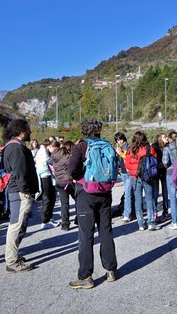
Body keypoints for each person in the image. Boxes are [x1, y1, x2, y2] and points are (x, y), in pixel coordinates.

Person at [68, 119, 117, 289]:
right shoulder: (107, 144)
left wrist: (78, 177)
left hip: (86, 193)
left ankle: (86, 276)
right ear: (99, 129)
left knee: (86, 235)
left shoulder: (81, 146)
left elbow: (71, 169)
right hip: (105, 193)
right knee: (106, 231)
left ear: (84, 130)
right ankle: (111, 270)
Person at [3, 118, 39, 273]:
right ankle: (11, 261)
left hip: (18, 190)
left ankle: (14, 256)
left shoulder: (13, 146)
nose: (30, 131)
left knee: (19, 225)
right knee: (16, 225)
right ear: (22, 131)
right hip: (19, 192)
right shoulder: (16, 148)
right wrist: (25, 190)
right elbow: (19, 172)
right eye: (28, 128)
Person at [124, 131, 159, 231]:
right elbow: (155, 159)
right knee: (149, 199)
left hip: (135, 177)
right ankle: (151, 222)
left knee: (138, 200)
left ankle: (140, 223)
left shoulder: (130, 149)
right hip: (147, 176)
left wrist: (132, 171)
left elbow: (127, 163)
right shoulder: (148, 148)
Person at [49, 140, 75, 231]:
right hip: (68, 181)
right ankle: (79, 219)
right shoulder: (67, 156)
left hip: (59, 182)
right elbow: (72, 167)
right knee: (78, 200)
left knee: (64, 204)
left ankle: (65, 224)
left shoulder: (53, 157)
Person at [35, 140, 57, 229]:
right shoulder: (43, 151)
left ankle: (49, 218)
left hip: (46, 175)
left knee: (51, 197)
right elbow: (47, 160)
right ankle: (45, 221)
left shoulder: (42, 150)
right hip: (45, 175)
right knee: (47, 197)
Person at [162, 131, 177, 230]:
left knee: (172, 199)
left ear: (169, 138)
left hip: (170, 173)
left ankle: (174, 221)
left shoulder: (166, 148)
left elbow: (165, 162)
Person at [114, 132, 134, 223]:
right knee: (130, 193)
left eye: (121, 139)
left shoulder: (128, 147)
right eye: (118, 140)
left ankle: (127, 214)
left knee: (128, 193)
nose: (120, 141)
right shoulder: (121, 147)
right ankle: (132, 212)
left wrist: (120, 153)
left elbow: (128, 157)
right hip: (123, 172)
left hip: (129, 172)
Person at [152, 134, 168, 222]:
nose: (166, 139)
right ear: (159, 139)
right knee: (155, 193)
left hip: (165, 173)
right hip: (156, 172)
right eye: (164, 137)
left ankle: (165, 212)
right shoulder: (154, 147)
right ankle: (155, 213)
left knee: (165, 193)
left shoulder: (168, 146)